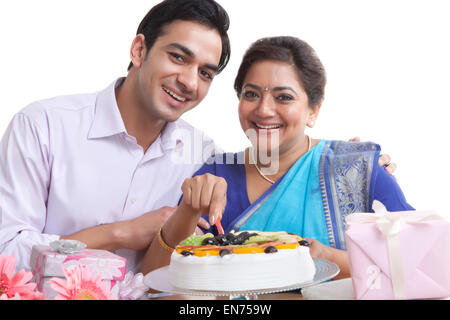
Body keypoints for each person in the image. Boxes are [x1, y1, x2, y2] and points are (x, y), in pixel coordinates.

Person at [0, 0, 394, 274]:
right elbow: (6, 254)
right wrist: (118, 233)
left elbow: (267, 173)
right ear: (139, 48)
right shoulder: (44, 127)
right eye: (178, 57)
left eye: (206, 72)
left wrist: (357, 165)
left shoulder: (203, 157)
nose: (189, 81)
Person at [141, 36, 412, 279]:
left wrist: (329, 259)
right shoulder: (216, 175)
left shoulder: (356, 169)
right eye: (251, 94)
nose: (264, 109)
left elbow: (419, 265)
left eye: (284, 97)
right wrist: (188, 210)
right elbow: (155, 281)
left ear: (313, 110)